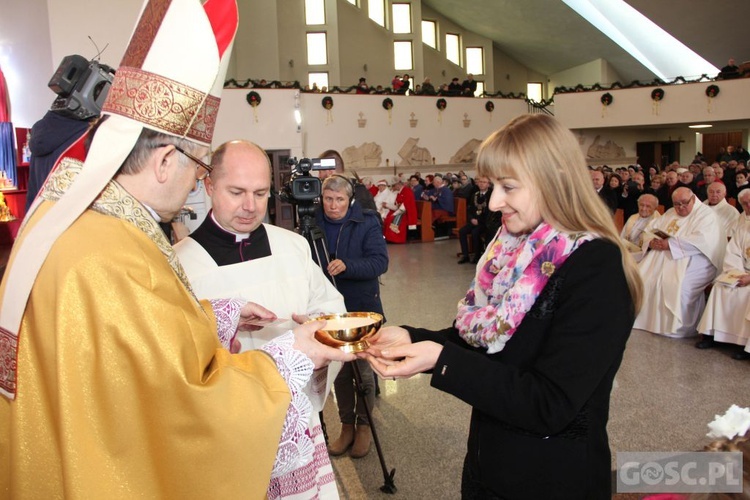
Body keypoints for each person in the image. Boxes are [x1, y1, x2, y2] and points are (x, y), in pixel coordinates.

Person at [0, 1, 354, 497]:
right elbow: (185, 411)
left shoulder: (73, 219)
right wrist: (291, 354)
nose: (195, 179)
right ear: (166, 159)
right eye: (197, 165)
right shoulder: (109, 253)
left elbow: (122, 345)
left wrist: (217, 316)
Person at [360, 114, 642, 498]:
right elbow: (486, 345)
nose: (494, 201)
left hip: (549, 477)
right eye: (492, 185)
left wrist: (440, 359)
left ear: (555, 179)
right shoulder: (515, 249)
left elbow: (550, 403)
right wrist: (410, 337)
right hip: (490, 463)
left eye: (508, 186)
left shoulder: (596, 267)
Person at [173, 140, 348, 498]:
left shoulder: (293, 246)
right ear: (208, 185)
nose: (250, 206)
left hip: (294, 415)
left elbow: (331, 308)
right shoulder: (180, 264)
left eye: (261, 193)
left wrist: (318, 335)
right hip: (228, 430)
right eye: (236, 192)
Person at [316, 175, 389, 459]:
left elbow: (380, 262)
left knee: (364, 370)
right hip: (331, 310)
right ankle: (346, 424)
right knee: (340, 373)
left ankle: (363, 426)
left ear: (350, 200)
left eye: (340, 200)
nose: (333, 206)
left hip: (362, 308)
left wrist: (347, 265)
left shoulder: (366, 222)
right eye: (328, 199)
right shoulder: (314, 223)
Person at [633, 188, 725, 338]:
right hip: (664, 257)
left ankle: (677, 327)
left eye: (684, 203)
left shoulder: (707, 215)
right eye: (676, 204)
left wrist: (669, 245)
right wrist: (651, 242)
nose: (680, 207)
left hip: (698, 259)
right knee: (643, 277)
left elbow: (703, 240)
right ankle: (648, 322)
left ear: (693, 199)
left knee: (678, 285)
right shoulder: (670, 213)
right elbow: (650, 229)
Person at [695, 189, 750, 360]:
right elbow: (733, 252)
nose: (749, 206)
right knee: (720, 286)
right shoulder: (744, 227)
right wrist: (737, 273)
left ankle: (744, 344)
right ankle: (715, 336)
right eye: (745, 204)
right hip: (741, 271)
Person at [457, 175, 493, 264]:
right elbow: (470, 209)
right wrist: (472, 218)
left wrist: (479, 221)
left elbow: (490, 212)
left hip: (485, 222)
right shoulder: (475, 195)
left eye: (484, 182)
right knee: (462, 231)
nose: (481, 184)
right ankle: (465, 255)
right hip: (474, 220)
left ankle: (477, 256)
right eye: (480, 182)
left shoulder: (491, 195)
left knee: (475, 232)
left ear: (488, 184)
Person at [620, 193, 661, 262]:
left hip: (645, 257)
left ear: (655, 208)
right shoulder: (632, 217)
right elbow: (622, 237)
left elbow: (654, 246)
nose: (643, 209)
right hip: (627, 252)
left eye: (648, 206)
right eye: (641, 205)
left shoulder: (658, 222)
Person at [384, 176, 418, 244]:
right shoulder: (400, 192)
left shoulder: (407, 191)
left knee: (391, 218)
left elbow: (404, 206)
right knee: (388, 217)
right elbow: (397, 205)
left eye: (394, 185)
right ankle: (389, 238)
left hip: (407, 213)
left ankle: (397, 239)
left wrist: (394, 213)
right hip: (402, 211)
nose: (394, 187)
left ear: (398, 185)